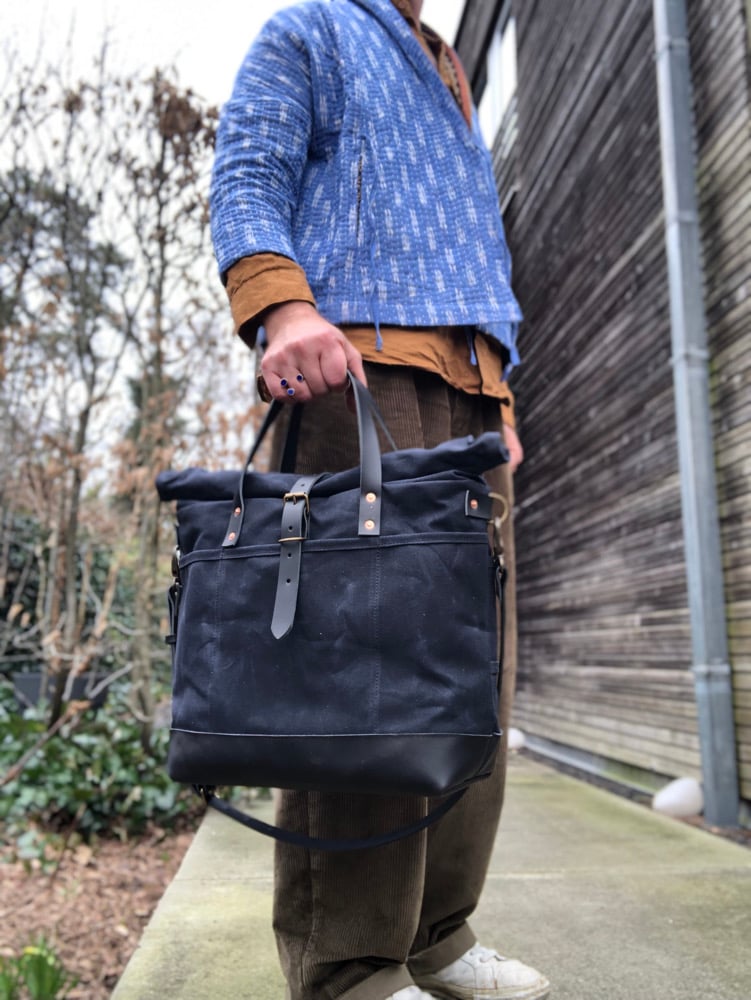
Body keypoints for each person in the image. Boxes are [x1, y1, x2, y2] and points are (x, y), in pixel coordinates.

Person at [209, 1, 550, 998]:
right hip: (353, 368)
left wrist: (499, 385)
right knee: (365, 677)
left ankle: (438, 932)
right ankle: (348, 960)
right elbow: (246, 172)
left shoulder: (443, 59)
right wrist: (283, 304)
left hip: (470, 393)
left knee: (471, 676)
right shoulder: (309, 28)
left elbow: (472, 242)